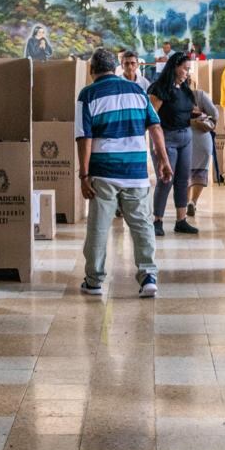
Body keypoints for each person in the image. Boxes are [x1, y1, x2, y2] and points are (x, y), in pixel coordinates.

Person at [76, 47, 168, 298]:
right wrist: (164, 161)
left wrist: (83, 176)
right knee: (142, 225)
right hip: (136, 172)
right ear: (113, 67)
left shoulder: (88, 94)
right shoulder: (138, 90)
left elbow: (84, 137)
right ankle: (148, 276)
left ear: (92, 69)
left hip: (103, 173)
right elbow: (155, 127)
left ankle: (94, 281)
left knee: (99, 227)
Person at [147, 52, 199, 236]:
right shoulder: (159, 88)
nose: (187, 72)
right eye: (185, 68)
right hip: (166, 138)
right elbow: (151, 118)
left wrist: (199, 115)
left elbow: (188, 109)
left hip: (186, 137)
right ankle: (157, 221)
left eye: (188, 69)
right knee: (165, 180)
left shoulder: (185, 88)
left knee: (183, 180)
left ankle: (181, 220)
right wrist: (156, 145)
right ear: (174, 67)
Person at [186, 86, 219, 219]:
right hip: (202, 136)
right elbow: (215, 114)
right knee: (200, 171)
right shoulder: (199, 95)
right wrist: (203, 116)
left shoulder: (172, 96)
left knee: (184, 173)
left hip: (183, 137)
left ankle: (185, 202)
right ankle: (193, 202)